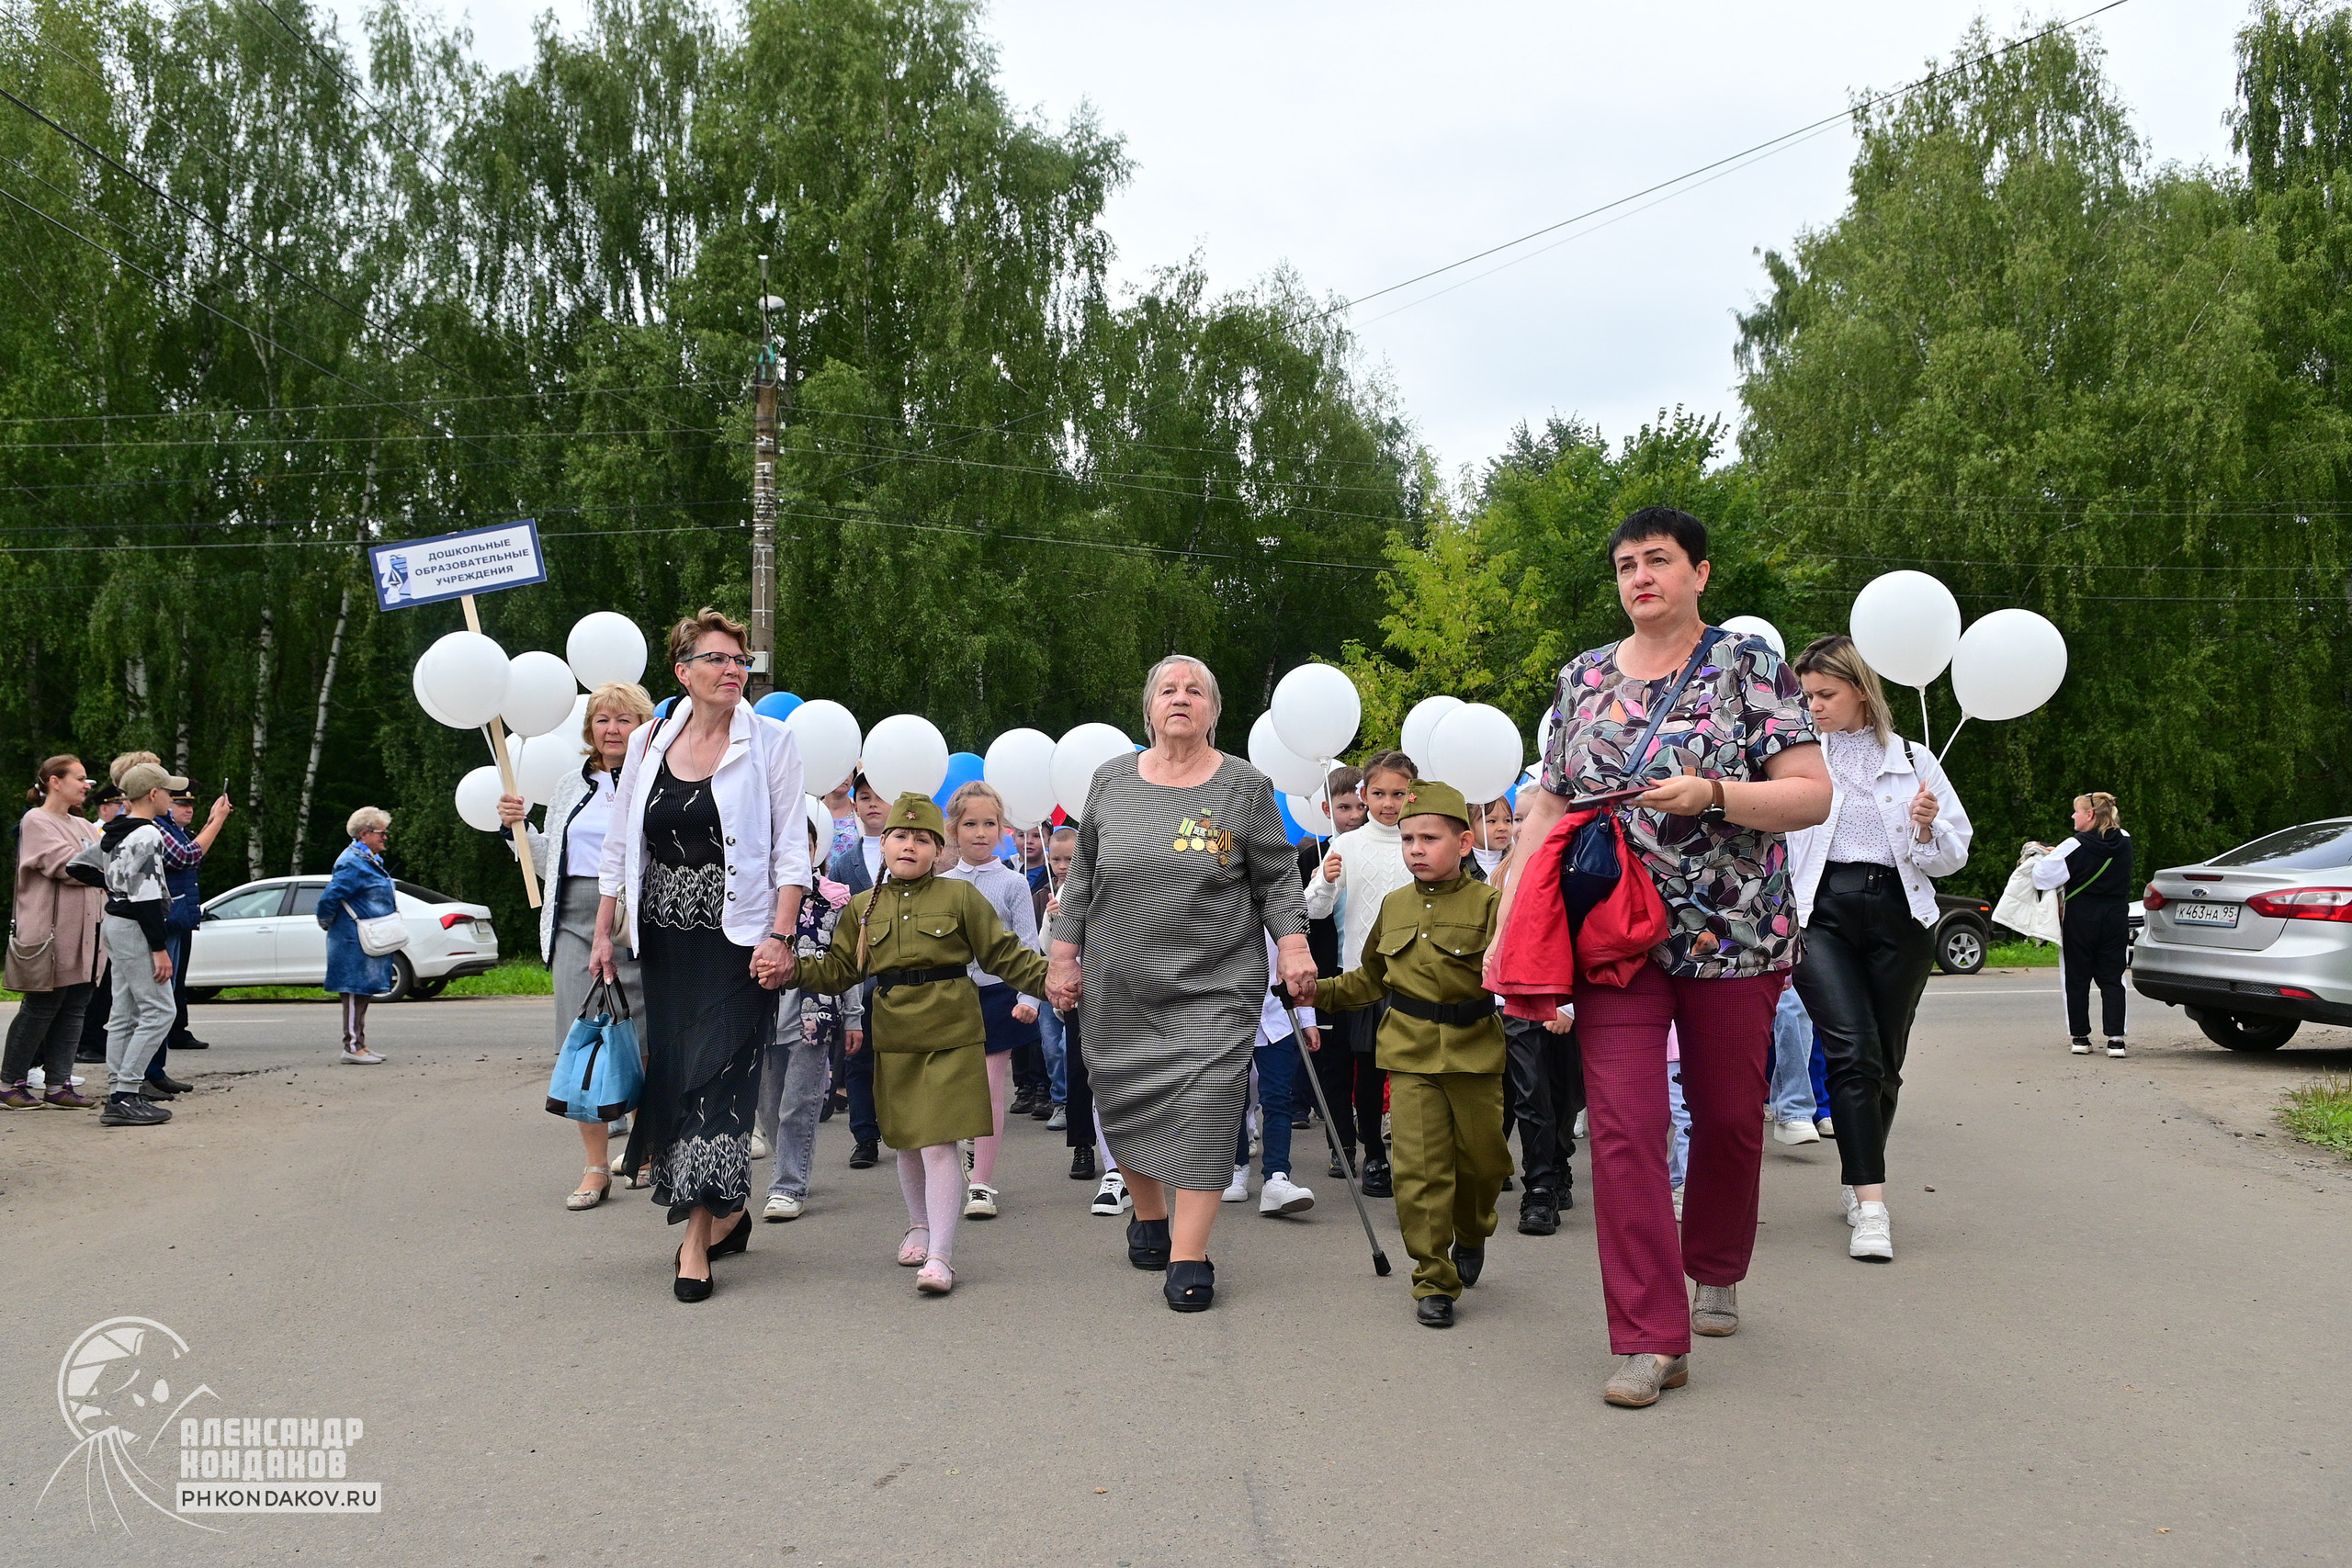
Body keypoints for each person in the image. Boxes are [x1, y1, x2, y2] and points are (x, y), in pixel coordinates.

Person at [1488, 506, 1828, 1409]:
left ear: (1699, 574)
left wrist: (1713, 792)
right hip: (1611, 936)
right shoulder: (1583, 677)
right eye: (1627, 564)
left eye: (1660, 560)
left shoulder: (1748, 666)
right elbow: (1547, 803)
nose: (1641, 576)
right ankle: (1648, 1337)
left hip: (1736, 932)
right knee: (1626, 1130)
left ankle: (1713, 1261)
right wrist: (1512, 912)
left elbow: (1808, 796)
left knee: (1725, 1119)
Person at [1046, 654, 1316, 1314]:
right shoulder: (1109, 782)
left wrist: (1293, 942)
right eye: (1168, 688)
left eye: (1196, 690)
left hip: (1215, 982)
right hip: (1120, 981)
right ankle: (1149, 1214)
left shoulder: (1245, 787)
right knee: (1124, 1096)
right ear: (1148, 707)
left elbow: (1277, 877)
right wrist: (1062, 956)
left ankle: (1189, 1253)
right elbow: (1082, 877)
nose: (1181, 697)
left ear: (1214, 711)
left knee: (1208, 1109)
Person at [594, 607, 808, 1303]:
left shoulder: (771, 742)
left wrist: (780, 935)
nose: (732, 671)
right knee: (681, 1072)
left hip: (739, 938)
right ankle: (730, 1212)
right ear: (683, 671)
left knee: (720, 1080)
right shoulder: (651, 739)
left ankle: (695, 1240)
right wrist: (604, 930)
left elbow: (790, 851)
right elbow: (621, 843)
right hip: (664, 936)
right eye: (717, 659)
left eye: (740, 661)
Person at [794, 793, 1049, 1296]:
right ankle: (919, 1224)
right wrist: (791, 969)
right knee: (907, 1141)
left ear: (938, 849)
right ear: (884, 843)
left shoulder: (960, 898)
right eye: (900, 836)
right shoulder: (865, 908)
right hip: (896, 1036)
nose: (910, 845)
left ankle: (941, 1257)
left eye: (922, 839)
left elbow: (1006, 955)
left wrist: (1055, 980)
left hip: (953, 1032)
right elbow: (840, 970)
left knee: (938, 1143)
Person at [1785, 634, 1973, 1262]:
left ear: (1860, 690)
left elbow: (1952, 855)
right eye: (1806, 694)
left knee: (1886, 1060)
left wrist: (1925, 823)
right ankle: (1872, 1206)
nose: (1814, 705)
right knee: (1853, 1050)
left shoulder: (1915, 759)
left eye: (1826, 693)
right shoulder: (1799, 759)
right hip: (1822, 915)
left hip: (1902, 915)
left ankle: (1855, 1173)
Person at [1313, 780, 1510, 1328]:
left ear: (1465, 843)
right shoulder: (1394, 906)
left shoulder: (1492, 904)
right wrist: (1313, 992)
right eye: (1406, 839)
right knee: (1417, 1172)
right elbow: (1368, 981)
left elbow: (1515, 976)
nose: (1416, 849)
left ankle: (1471, 1232)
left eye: (1428, 838)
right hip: (1409, 1052)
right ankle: (1432, 1276)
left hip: (1474, 1053)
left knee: (1483, 1165)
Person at [497, 681, 654, 1208]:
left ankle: (646, 1149)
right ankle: (594, 1167)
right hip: (573, 923)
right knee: (582, 1043)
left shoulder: (660, 779)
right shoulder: (570, 785)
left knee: (645, 1041)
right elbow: (549, 861)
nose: (612, 729)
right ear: (591, 729)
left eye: (624, 720)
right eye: (603, 720)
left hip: (638, 922)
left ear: (643, 726)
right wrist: (516, 830)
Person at [1301, 750, 1419, 1197]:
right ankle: (1373, 1155)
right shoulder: (1348, 844)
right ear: (1364, 796)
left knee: (1412, 1076)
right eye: (1379, 794)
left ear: (1412, 794)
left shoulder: (1419, 838)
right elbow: (1314, 908)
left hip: (1416, 977)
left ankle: (1412, 1155)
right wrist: (1327, 878)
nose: (1389, 803)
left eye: (1398, 793)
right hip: (1365, 978)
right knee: (1368, 1074)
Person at [936, 781, 1044, 1220]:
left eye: (990, 823)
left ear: (1003, 829)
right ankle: (952, 1158)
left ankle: (981, 1184)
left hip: (999, 995)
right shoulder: (940, 884)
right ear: (953, 830)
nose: (981, 832)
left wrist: (1029, 998)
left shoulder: (1014, 884)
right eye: (971, 824)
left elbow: (1027, 944)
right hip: (948, 998)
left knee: (990, 1090)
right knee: (949, 1091)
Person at [758, 806, 863, 1222]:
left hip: (813, 1015)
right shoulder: (757, 899)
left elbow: (849, 965)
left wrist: (853, 1016)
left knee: (798, 1105)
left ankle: (788, 1185)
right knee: (768, 1107)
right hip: (762, 1015)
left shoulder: (834, 902)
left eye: (805, 845)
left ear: (816, 850)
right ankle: (789, 1167)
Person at [4, 756, 107, 1111]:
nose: (86, 785)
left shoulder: (82, 824)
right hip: (51, 933)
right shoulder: (37, 820)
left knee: (76, 1005)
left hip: (88, 932)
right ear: (54, 781)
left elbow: (98, 866)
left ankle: (58, 1083)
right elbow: (69, 866)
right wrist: (107, 860)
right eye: (80, 778)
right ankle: (8, 1082)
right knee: (41, 1007)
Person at [96, 761, 187, 1126]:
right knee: (160, 1010)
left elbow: (78, 866)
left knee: (124, 1013)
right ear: (153, 794)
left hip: (115, 922)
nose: (172, 797)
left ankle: (119, 1085)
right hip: (135, 926)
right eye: (168, 791)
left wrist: (113, 887)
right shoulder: (148, 834)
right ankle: (125, 1095)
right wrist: (159, 947)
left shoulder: (115, 830)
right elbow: (147, 897)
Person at [1221, 931, 1318, 1214]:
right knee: (1233, 1098)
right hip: (1232, 1016)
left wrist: (1308, 1018)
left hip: (1279, 1016)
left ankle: (1277, 1176)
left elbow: (1300, 967)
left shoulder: (1281, 904)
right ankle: (1236, 1167)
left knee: (1278, 1097)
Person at [825, 773, 894, 1169]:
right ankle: (864, 1135)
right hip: (860, 977)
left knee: (902, 1056)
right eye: (864, 797)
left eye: (879, 797)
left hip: (899, 974)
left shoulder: (906, 852)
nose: (872, 804)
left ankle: (904, 1127)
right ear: (854, 805)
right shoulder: (843, 864)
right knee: (858, 1059)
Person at [2033, 792, 2132, 1058]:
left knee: (2076, 977)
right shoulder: (2125, 840)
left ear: (2089, 815)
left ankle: (2080, 1037)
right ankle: (2116, 1040)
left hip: (2082, 915)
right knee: (2113, 978)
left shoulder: (2073, 845)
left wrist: (2051, 856)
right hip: (2115, 914)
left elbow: (2042, 878)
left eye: (2076, 811)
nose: (2073, 816)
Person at [1295, 765, 1365, 1136]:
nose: (1354, 816)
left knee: (1369, 1064)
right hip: (1329, 974)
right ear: (1327, 810)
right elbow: (1303, 915)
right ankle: (1342, 1142)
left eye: (1359, 807)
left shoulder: (1379, 848)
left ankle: (1371, 1138)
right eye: (1344, 807)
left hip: (1369, 973)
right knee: (1334, 1065)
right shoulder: (1310, 858)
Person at [153, 781, 232, 1089]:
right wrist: (218, 821)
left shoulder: (170, 829)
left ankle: (153, 1072)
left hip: (176, 918)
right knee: (156, 1000)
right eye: (178, 801)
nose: (187, 808)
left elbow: (190, 853)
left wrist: (214, 819)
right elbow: (187, 857)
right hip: (166, 918)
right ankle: (145, 1076)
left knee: (165, 997)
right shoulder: (156, 827)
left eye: (190, 804)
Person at [316, 807, 399, 1066]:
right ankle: (351, 1047)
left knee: (362, 991)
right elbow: (329, 898)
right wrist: (327, 922)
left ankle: (359, 1043)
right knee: (353, 991)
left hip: (362, 937)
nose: (385, 837)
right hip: (351, 939)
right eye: (381, 833)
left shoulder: (368, 859)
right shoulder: (353, 863)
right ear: (365, 834)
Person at [74, 784, 127, 1066]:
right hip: (95, 914)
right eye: (117, 805)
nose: (121, 810)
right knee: (94, 984)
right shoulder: (96, 834)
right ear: (103, 808)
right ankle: (87, 1041)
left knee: (107, 985)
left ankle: (96, 1037)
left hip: (110, 914)